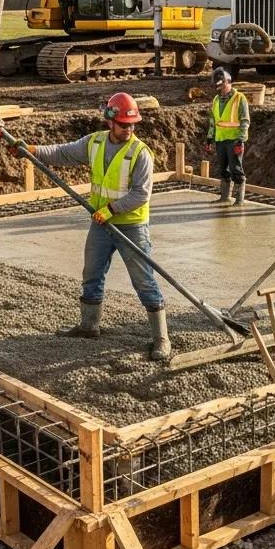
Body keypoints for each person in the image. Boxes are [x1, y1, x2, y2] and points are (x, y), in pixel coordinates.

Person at [25, 92, 170, 361]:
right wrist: (32, 150)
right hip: (102, 224)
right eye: (124, 124)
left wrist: (111, 209)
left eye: (132, 124)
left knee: (143, 280)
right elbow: (63, 152)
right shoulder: (95, 143)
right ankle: (89, 325)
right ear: (110, 121)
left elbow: (141, 194)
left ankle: (161, 338)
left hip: (130, 225)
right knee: (91, 272)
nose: (129, 129)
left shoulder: (140, 153)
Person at [204, 67, 250, 205]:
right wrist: (209, 138)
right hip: (220, 140)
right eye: (218, 86)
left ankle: (239, 199)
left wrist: (240, 139)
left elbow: (245, 120)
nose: (220, 89)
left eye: (222, 85)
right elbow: (213, 121)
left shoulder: (239, 98)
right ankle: (225, 197)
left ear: (228, 82)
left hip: (234, 140)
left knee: (236, 168)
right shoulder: (216, 100)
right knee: (223, 169)